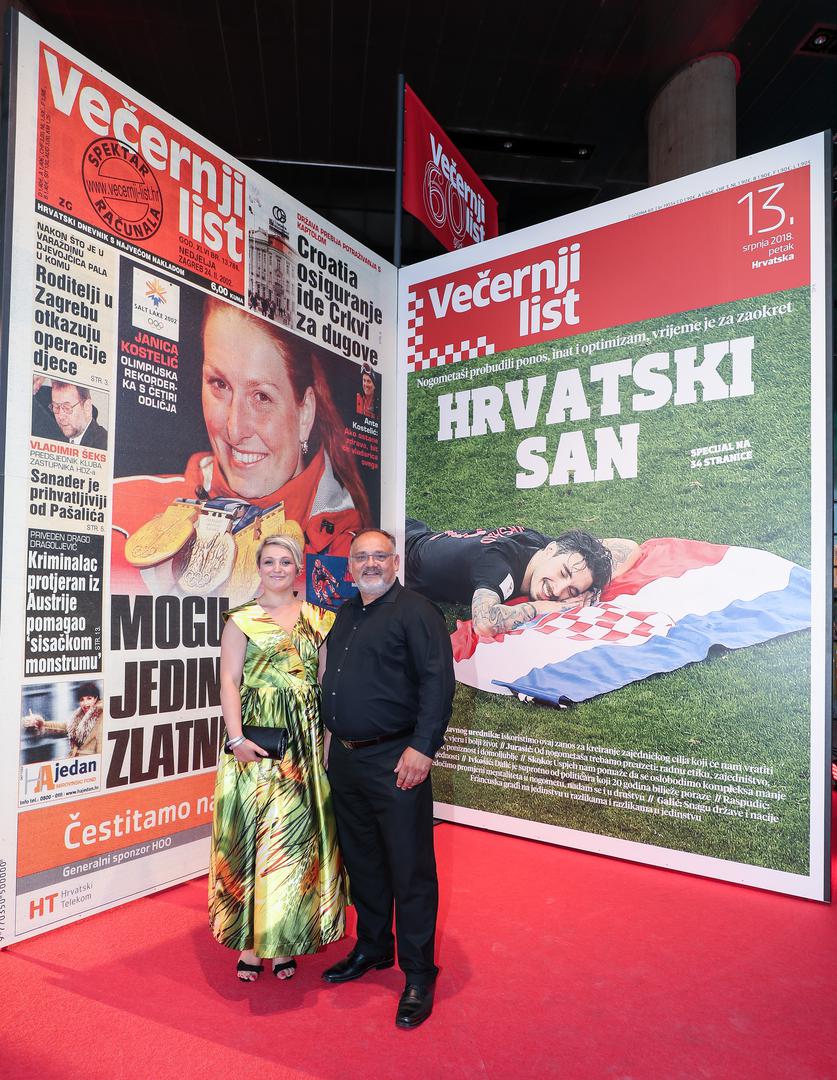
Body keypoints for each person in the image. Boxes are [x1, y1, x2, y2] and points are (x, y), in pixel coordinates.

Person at [112, 297, 371, 600]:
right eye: (219, 384)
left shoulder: (349, 552)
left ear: (305, 414)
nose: (234, 429)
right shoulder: (120, 511)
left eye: (261, 397)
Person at [320, 528, 455, 1029]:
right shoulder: (345, 613)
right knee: (364, 863)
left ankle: (419, 972)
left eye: (380, 556)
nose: (370, 563)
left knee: (410, 868)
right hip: (347, 761)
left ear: (395, 562)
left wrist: (423, 748)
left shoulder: (417, 612)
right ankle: (374, 947)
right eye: (361, 557)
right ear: (350, 566)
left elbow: (438, 683)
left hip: (397, 760)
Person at [208, 533, 345, 981]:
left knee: (292, 842)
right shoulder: (242, 619)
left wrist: (325, 744)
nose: (277, 569)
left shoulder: (320, 619)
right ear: (259, 567)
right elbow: (229, 681)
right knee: (251, 837)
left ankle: (285, 939)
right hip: (255, 741)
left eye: (285, 561)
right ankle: (249, 944)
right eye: (269, 561)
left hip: (304, 743)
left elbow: (324, 685)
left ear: (298, 567)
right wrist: (235, 739)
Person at [404, 518, 640, 636]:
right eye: (564, 573)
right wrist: (542, 607)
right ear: (551, 550)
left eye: (572, 591)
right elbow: (485, 623)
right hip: (394, 554)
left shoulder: (543, 548)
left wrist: (591, 586)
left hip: (414, 532)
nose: (558, 590)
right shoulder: (499, 566)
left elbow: (630, 548)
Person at [22, 682, 104, 756]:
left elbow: (101, 751)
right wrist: (43, 724)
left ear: (96, 698)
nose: (85, 703)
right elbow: (65, 728)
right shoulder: (80, 716)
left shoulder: (101, 718)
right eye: (82, 700)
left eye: (89, 698)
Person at [49, 381, 108, 448]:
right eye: (56, 407)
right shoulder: (54, 437)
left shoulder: (105, 445)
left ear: (87, 407)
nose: (60, 417)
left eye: (67, 408)